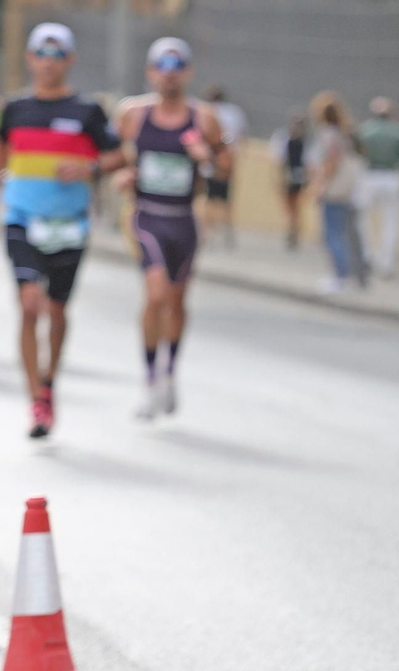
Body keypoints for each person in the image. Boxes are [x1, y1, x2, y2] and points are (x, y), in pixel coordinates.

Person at [0, 23, 125, 439]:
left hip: (69, 224)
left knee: (56, 310)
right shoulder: (15, 107)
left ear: (70, 60)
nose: (49, 62)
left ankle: (50, 382)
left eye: (58, 54)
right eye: (42, 53)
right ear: (30, 58)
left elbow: (117, 155)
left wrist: (89, 168)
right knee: (29, 303)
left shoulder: (87, 111)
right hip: (22, 217)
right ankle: (35, 399)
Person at [112, 38, 229, 420]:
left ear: (188, 72)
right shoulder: (133, 113)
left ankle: (169, 373)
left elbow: (226, 164)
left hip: (184, 218)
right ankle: (148, 380)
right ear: (151, 72)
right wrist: (122, 173)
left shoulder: (204, 118)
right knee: (156, 293)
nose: (169, 73)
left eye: (177, 66)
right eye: (162, 66)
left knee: (177, 301)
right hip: (147, 215)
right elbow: (111, 154)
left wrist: (206, 158)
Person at [308, 91, 366, 293]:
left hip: (333, 191)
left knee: (333, 234)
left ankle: (341, 275)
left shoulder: (329, 134)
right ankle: (352, 275)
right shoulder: (345, 133)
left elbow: (331, 163)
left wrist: (318, 187)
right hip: (347, 190)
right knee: (345, 233)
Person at [355, 96, 399, 279]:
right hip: (392, 177)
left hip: (369, 177)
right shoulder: (398, 131)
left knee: (364, 220)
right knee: (391, 223)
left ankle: (367, 257)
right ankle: (387, 263)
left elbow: (358, 154)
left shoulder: (365, 130)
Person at [200, 84, 243, 246]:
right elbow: (240, 138)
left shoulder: (206, 112)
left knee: (208, 199)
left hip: (212, 162)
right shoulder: (234, 113)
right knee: (225, 199)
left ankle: (207, 232)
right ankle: (226, 232)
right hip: (227, 161)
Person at [268, 110, 308, 250]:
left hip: (297, 177)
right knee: (290, 207)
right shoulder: (285, 138)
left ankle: (293, 232)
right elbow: (279, 160)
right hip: (290, 175)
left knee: (294, 206)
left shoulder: (305, 141)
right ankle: (292, 231)